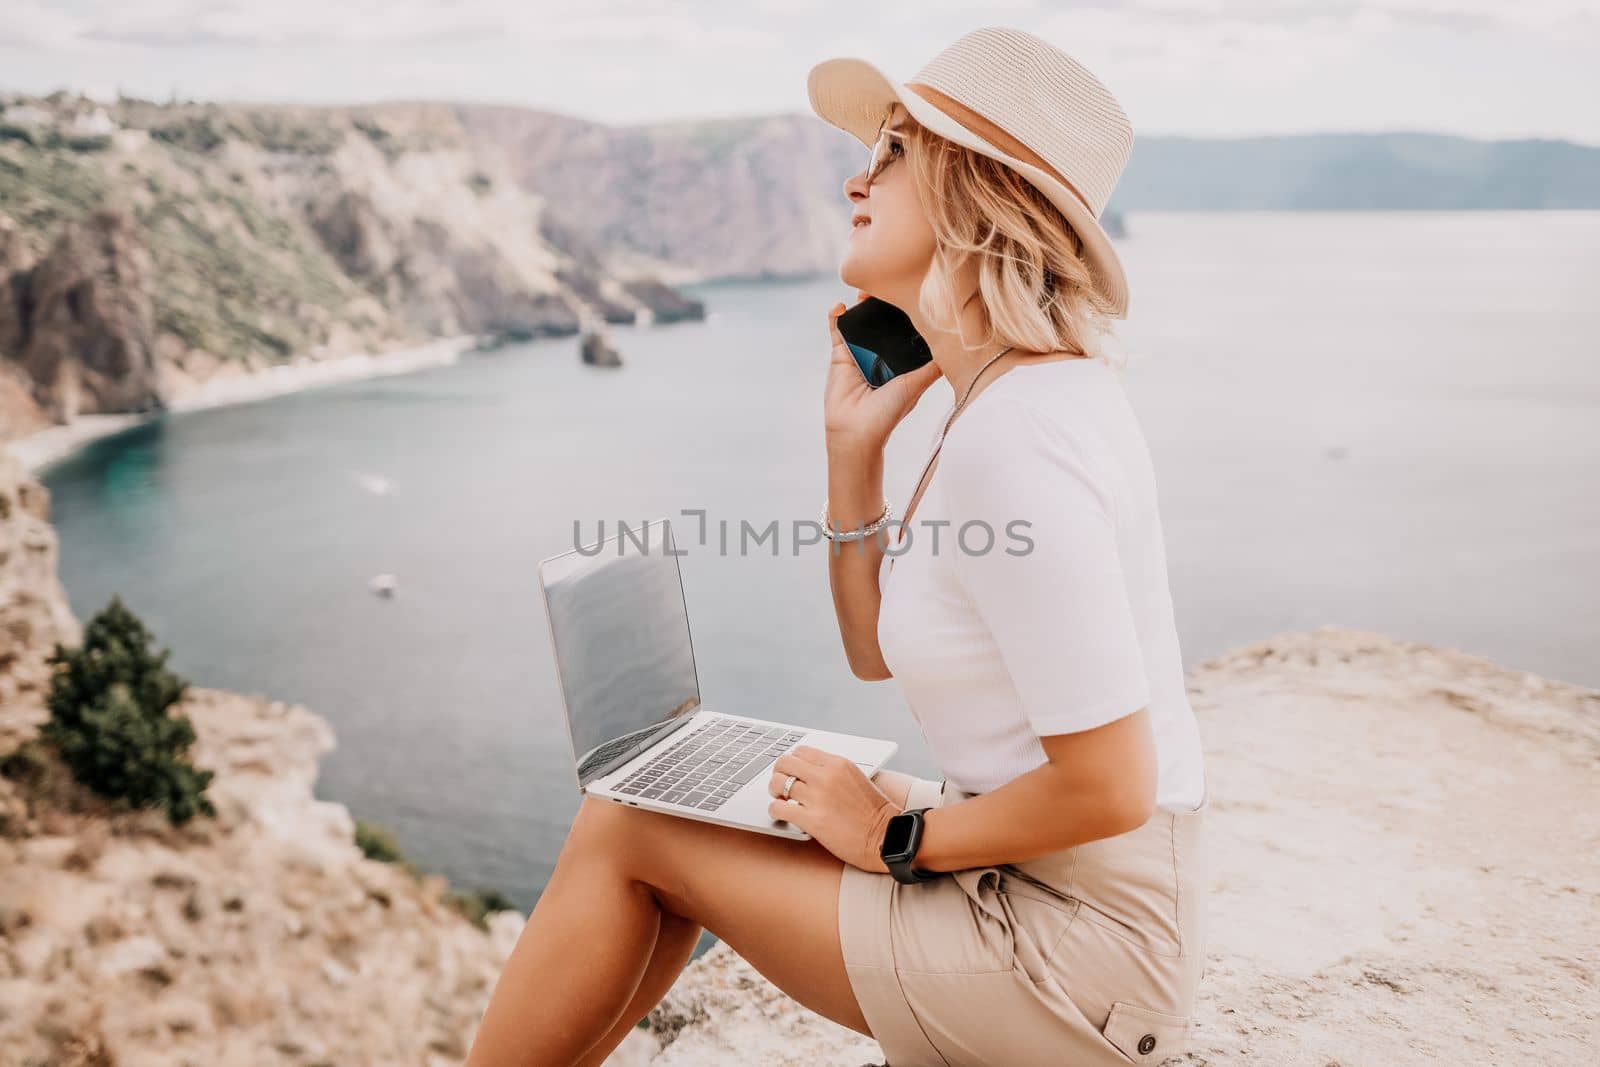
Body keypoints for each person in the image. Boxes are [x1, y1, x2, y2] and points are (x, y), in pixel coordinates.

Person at [465, 26, 1208, 1067]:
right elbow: (873, 650)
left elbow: (1112, 784)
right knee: (663, 798)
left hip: (1076, 948)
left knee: (627, 830)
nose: (857, 179)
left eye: (895, 150)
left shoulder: (1019, 436)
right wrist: (851, 450)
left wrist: (889, 835)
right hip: (1035, 869)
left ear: (974, 194)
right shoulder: (1003, 401)